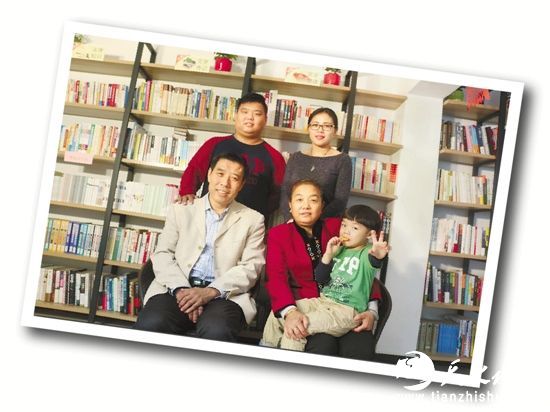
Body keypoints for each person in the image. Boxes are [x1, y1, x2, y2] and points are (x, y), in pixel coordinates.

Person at [134, 153, 265, 342]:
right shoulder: (181, 209)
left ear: (241, 184)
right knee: (151, 322)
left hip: (224, 294)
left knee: (217, 331)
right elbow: (162, 254)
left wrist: (208, 292)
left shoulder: (253, 220)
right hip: (176, 288)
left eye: (234, 178)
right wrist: (182, 290)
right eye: (220, 174)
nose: (225, 183)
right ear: (209, 174)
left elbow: (251, 268)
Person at [263, 179, 384, 359]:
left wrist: (372, 311)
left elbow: (363, 269)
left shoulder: (339, 227)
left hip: (347, 307)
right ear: (290, 205)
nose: (305, 206)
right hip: (304, 303)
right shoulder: (279, 235)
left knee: (359, 349)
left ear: (322, 206)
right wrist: (290, 311)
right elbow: (276, 279)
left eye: (313, 200)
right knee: (287, 324)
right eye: (299, 199)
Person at [176, 92, 286, 221]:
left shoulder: (275, 157)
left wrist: (258, 211)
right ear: (236, 115)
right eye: (244, 112)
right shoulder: (214, 144)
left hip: (249, 224)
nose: (250, 117)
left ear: (265, 119)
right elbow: (194, 170)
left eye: (257, 114)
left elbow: (279, 195)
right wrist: (187, 192)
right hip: (209, 217)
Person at [279, 107, 352, 221]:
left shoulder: (342, 160)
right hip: (292, 223)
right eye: (315, 125)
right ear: (308, 129)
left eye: (327, 126)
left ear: (335, 131)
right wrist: (291, 220)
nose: (320, 130)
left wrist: (312, 222)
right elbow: (285, 193)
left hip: (323, 224)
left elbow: (340, 201)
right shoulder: (296, 158)